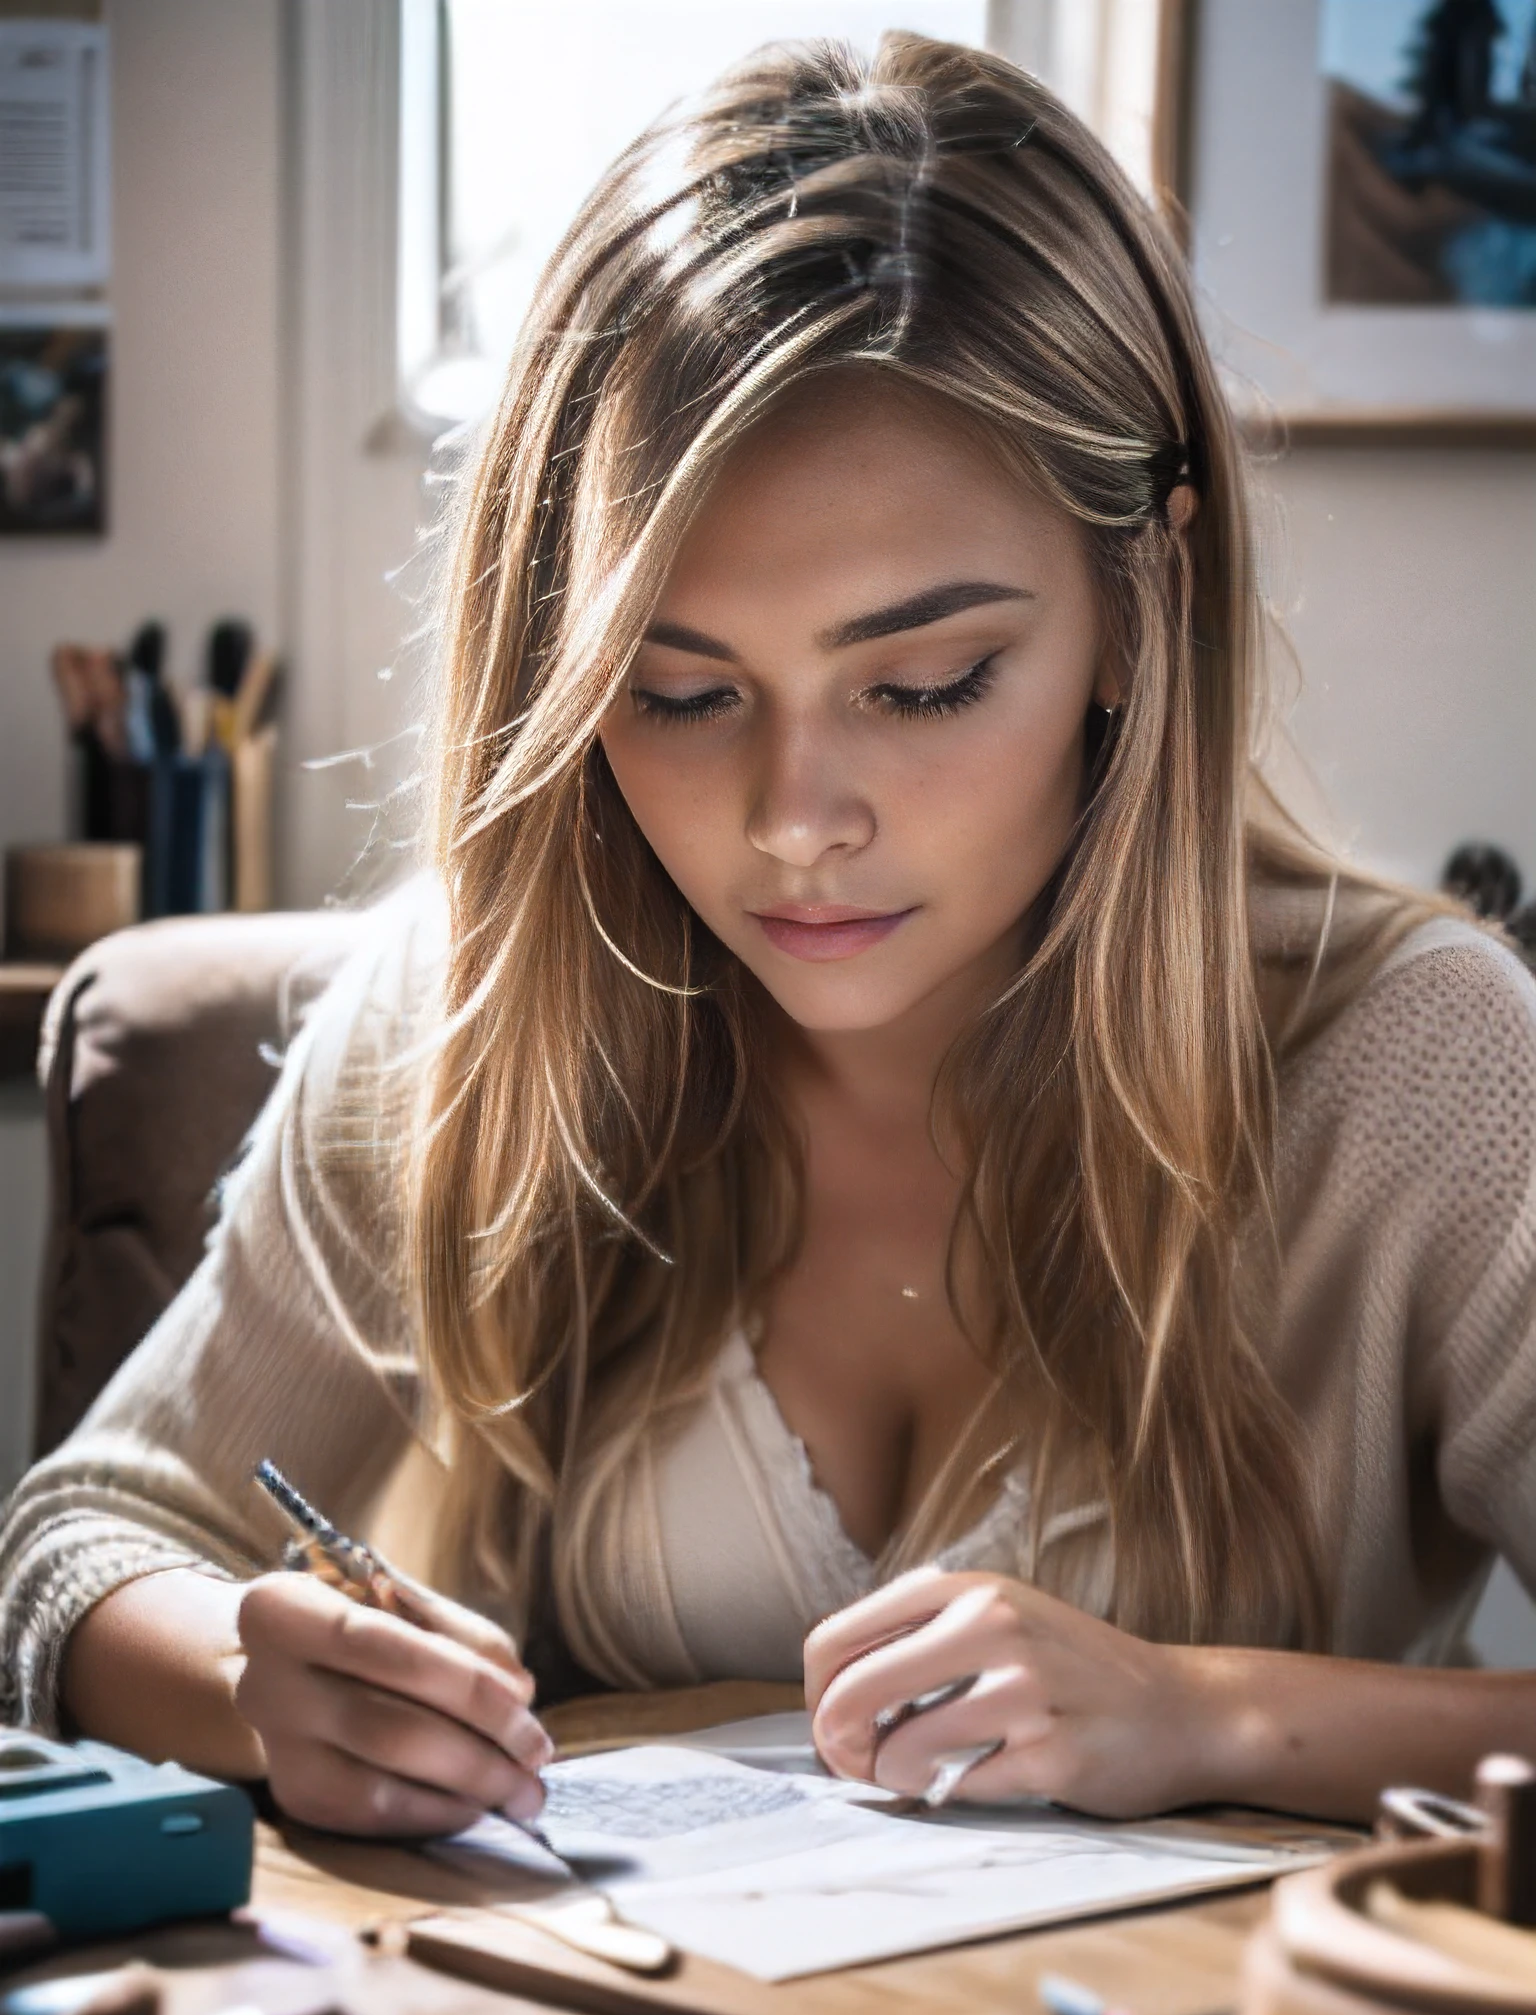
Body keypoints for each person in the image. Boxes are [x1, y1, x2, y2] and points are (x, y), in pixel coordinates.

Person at [4, 33, 1535, 1839]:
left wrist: (1212, 1717)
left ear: (1144, 606)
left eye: (925, 683)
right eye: (679, 692)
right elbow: (84, 1541)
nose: (796, 819)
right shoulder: (481, 1018)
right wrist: (252, 1680)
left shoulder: (1420, 1066)